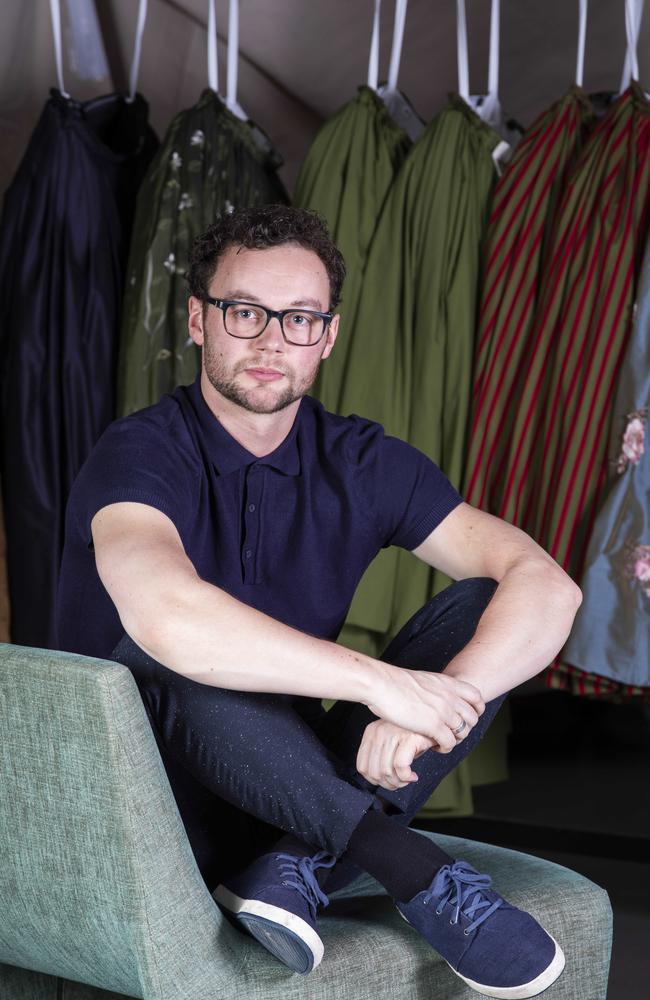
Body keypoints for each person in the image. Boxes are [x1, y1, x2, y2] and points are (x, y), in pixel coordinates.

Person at [57, 205, 580, 998]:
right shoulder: (137, 452)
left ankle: (291, 863)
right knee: (168, 659)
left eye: (299, 319)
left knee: (486, 606)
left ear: (327, 337)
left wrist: (437, 703)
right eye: (245, 312)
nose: (272, 341)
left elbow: (549, 584)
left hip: (292, 784)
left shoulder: (361, 459)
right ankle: (407, 866)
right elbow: (164, 612)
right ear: (199, 320)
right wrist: (376, 683)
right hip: (154, 803)